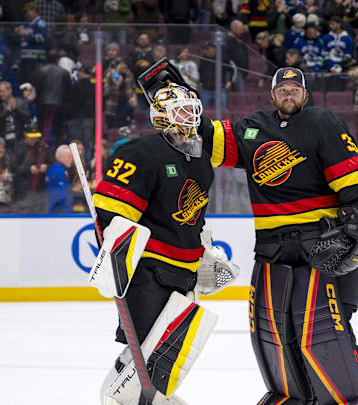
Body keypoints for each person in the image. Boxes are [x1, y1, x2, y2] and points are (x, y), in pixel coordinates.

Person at [195, 66, 358, 404]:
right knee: (275, 333)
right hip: (271, 248)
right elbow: (210, 137)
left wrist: (354, 226)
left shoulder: (323, 123)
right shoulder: (254, 129)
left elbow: (355, 179)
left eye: (295, 89)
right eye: (283, 89)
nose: (288, 94)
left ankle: (350, 397)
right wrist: (184, 105)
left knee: (327, 335)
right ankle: (293, 397)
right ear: (273, 94)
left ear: (305, 94)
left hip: (318, 244)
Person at [94, 60, 233, 405]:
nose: (191, 115)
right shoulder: (140, 153)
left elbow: (195, 215)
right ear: (163, 116)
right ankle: (118, 399)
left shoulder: (201, 159)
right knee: (141, 348)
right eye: (182, 110)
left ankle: (151, 399)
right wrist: (116, 258)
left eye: (191, 108)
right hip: (148, 270)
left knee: (167, 354)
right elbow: (112, 215)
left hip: (184, 273)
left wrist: (205, 250)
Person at [34, 50, 71, 147]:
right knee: (58, 132)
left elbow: (37, 88)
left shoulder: (41, 71)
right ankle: (59, 151)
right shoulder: (64, 72)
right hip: (59, 105)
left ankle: (42, 151)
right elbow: (68, 90)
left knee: (42, 131)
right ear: (58, 59)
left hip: (43, 104)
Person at [0, 81, 32, 152]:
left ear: (10, 90)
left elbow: (27, 119)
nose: (1, 94)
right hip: (3, 141)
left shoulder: (20, 102)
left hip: (18, 139)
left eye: (3, 91)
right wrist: (7, 111)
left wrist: (16, 109)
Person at [16, 2, 47, 85]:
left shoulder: (40, 23)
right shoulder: (29, 24)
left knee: (33, 81)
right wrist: (20, 32)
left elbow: (41, 38)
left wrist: (27, 34)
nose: (26, 13)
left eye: (28, 11)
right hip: (26, 58)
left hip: (35, 59)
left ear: (34, 11)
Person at [45, 144, 73, 213]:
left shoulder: (55, 169)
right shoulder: (59, 171)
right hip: (60, 214)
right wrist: (68, 213)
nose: (72, 159)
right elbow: (61, 195)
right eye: (69, 156)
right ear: (61, 157)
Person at [226, 19, 249, 92]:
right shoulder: (226, 40)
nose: (242, 32)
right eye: (240, 29)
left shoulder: (240, 41)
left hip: (241, 71)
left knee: (240, 96)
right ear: (233, 28)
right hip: (229, 71)